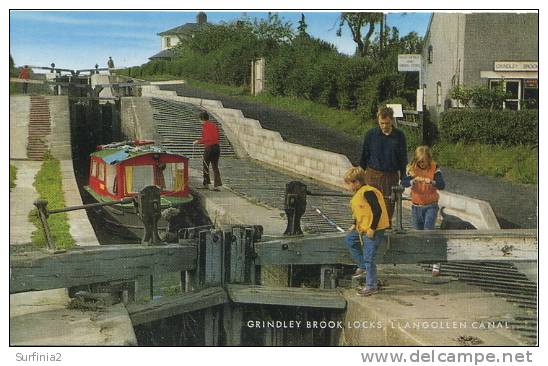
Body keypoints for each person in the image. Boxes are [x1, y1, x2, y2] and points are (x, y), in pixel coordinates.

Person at [343, 166, 390, 296]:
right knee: (350, 240)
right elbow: (360, 212)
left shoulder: (367, 192)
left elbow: (377, 210)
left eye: (349, 184)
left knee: (369, 257)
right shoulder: (359, 194)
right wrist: (354, 224)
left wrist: (372, 229)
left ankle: (371, 285)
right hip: (362, 227)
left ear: (356, 182)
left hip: (374, 229)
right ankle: (363, 266)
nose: (349, 187)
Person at [401, 145, 445, 275]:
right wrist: (412, 181)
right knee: (418, 234)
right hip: (416, 206)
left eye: (424, 161)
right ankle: (421, 256)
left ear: (428, 159)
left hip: (430, 205)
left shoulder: (435, 168)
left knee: (428, 232)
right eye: (419, 162)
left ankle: (436, 262)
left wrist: (432, 182)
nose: (422, 164)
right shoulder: (411, 168)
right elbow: (403, 182)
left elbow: (442, 184)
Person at [359, 106, 407, 222]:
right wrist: (360, 174)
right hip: (372, 174)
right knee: (370, 205)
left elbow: (403, 158)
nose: (384, 126)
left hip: (390, 177)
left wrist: (403, 177)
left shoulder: (399, 136)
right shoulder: (371, 135)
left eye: (387, 123)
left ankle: (386, 233)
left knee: (388, 207)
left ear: (392, 121)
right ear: (378, 121)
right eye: (382, 123)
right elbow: (364, 154)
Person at [193, 111, 222, 191]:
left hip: (209, 148)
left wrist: (197, 142)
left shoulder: (205, 126)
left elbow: (208, 138)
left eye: (200, 120)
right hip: (217, 148)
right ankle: (218, 185)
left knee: (205, 165)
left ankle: (207, 183)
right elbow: (217, 136)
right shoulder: (214, 125)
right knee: (215, 166)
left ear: (202, 119)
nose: (200, 122)